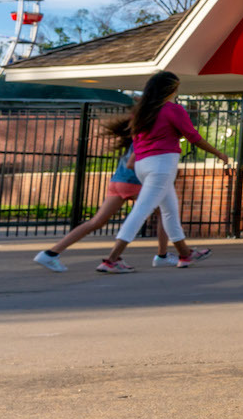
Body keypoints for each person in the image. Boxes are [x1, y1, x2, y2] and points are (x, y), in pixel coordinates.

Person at [97, 70, 232, 272]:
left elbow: (137, 141)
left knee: (169, 210)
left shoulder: (142, 112)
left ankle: (185, 254)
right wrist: (219, 153)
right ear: (171, 89)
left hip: (144, 165)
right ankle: (111, 260)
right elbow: (193, 137)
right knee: (141, 210)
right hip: (162, 165)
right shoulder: (173, 110)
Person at [32, 121, 171, 271]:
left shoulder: (138, 135)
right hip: (135, 182)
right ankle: (161, 256)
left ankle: (50, 253)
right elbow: (135, 162)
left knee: (96, 221)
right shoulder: (149, 137)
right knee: (163, 213)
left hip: (118, 181)